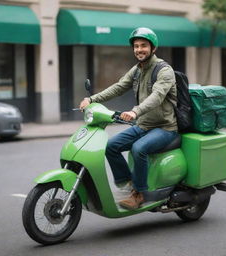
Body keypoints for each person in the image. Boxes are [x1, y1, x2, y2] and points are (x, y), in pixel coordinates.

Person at [79, 27, 178, 210]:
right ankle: (128, 184)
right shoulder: (137, 70)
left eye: (143, 46)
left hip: (165, 128)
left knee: (138, 148)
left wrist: (135, 111)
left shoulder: (165, 71)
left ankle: (139, 194)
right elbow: (118, 87)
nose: (139, 49)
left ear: (153, 48)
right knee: (111, 146)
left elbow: (157, 96)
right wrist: (92, 99)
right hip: (143, 125)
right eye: (136, 46)